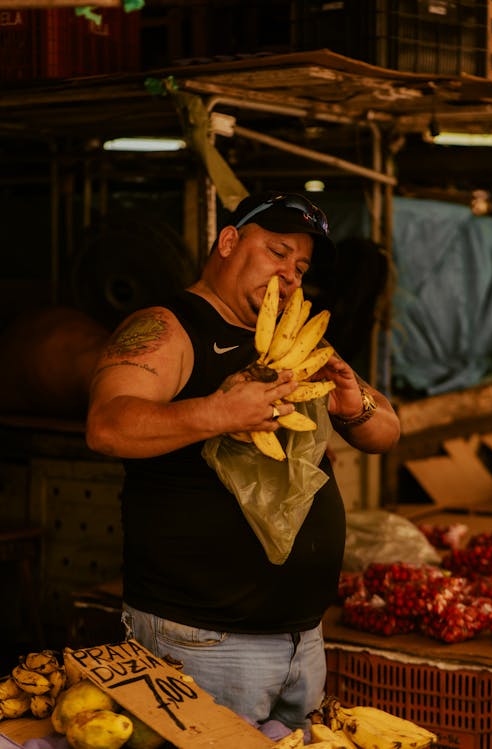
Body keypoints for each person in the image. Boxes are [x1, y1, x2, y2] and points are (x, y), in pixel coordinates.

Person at [85, 191, 400, 730]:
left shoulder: (289, 341)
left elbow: (387, 432)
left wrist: (354, 404)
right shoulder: (169, 327)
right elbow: (107, 426)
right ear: (229, 241)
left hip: (302, 638)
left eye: (301, 265)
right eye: (278, 253)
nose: (292, 275)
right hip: (203, 639)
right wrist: (220, 412)